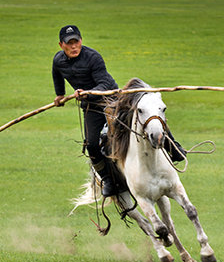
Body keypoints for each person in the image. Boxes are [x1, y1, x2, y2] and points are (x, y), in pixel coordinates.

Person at [52, 25, 187, 197]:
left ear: (81, 41)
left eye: (76, 42)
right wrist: (60, 95)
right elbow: (57, 73)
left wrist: (87, 93)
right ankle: (107, 179)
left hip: (112, 100)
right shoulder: (58, 60)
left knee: (148, 118)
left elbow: (104, 84)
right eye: (69, 43)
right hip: (91, 108)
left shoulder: (93, 57)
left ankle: (173, 148)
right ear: (61, 45)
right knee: (92, 145)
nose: (73, 46)